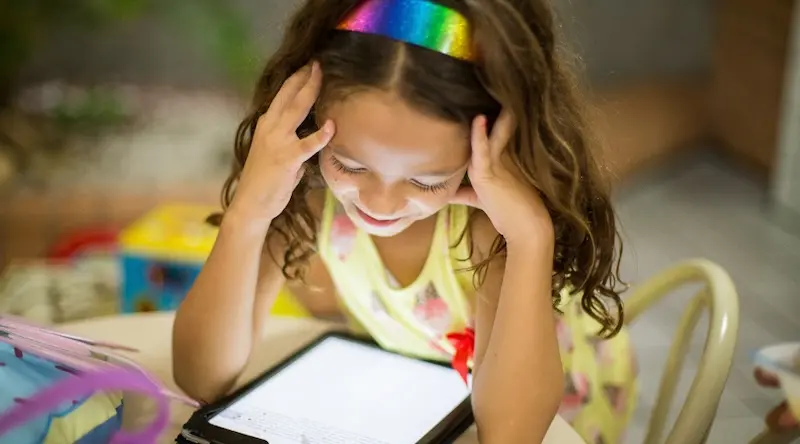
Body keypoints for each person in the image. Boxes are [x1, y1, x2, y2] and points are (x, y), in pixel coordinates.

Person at [172, 0, 637, 442]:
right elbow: (201, 378)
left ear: (494, 149)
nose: (382, 203)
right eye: (351, 165)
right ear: (309, 119)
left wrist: (531, 236)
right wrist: (248, 213)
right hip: (424, 395)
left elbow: (510, 436)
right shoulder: (309, 206)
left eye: (429, 181)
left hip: (563, 418)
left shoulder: (487, 234)